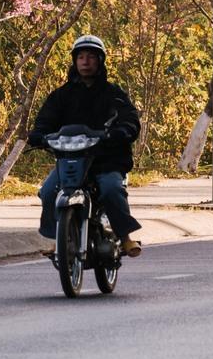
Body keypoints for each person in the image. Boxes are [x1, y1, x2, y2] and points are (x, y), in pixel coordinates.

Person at [30, 35, 143, 257]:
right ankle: (59, 240)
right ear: (74, 61)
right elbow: (44, 121)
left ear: (100, 61)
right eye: (80, 57)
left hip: (106, 161)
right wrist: (38, 135)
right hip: (70, 160)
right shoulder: (61, 95)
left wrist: (122, 131)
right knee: (48, 191)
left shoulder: (114, 94)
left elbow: (130, 120)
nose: (85, 61)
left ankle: (125, 238)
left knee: (111, 189)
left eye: (91, 57)